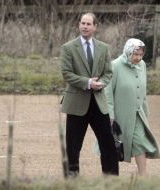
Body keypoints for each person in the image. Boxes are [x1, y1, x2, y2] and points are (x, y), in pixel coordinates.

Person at [60, 12, 119, 177]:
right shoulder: (68, 48)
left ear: (95, 27)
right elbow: (66, 74)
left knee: (107, 143)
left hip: (98, 102)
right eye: (82, 23)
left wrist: (101, 83)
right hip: (76, 104)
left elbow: (108, 72)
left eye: (88, 24)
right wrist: (87, 83)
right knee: (73, 145)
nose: (84, 26)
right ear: (79, 25)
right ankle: (72, 179)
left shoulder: (103, 47)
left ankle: (111, 180)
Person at [105, 38, 160, 176]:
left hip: (138, 114)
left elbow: (143, 91)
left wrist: (145, 113)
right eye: (135, 54)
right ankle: (110, 177)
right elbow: (108, 92)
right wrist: (110, 115)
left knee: (140, 142)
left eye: (141, 54)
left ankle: (143, 176)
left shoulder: (142, 65)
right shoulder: (115, 65)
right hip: (119, 115)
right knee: (115, 146)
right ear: (128, 51)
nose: (138, 58)